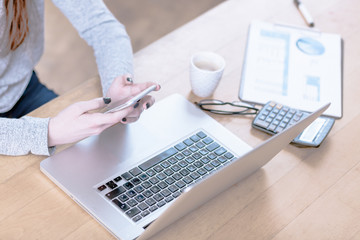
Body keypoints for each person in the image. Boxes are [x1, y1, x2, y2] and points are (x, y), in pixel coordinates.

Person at [0, 0, 160, 156]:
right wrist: (49, 132)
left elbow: (100, 25)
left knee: (103, 158)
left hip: (21, 86)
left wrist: (117, 81)